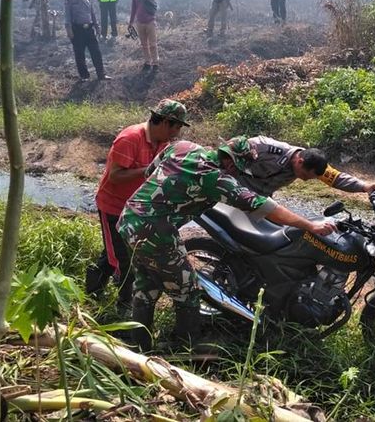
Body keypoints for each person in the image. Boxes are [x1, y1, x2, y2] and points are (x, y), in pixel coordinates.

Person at [116, 137, 336, 351]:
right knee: (189, 290)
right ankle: (185, 344)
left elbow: (151, 170)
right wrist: (309, 225)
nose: (236, 174)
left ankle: (140, 344)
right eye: (237, 170)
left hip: (129, 219)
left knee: (146, 284)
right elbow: (265, 206)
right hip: (155, 232)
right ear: (230, 162)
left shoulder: (183, 146)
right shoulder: (217, 179)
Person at [85, 99, 189, 309]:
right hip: (113, 206)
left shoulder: (162, 142)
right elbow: (115, 176)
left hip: (135, 207)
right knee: (125, 262)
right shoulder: (130, 138)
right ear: (165, 122)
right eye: (176, 126)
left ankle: (92, 291)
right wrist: (147, 170)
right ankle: (124, 307)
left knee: (115, 252)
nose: (176, 133)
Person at [235, 136, 375, 197]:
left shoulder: (313, 165)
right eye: (306, 176)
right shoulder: (266, 148)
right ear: (299, 162)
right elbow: (233, 148)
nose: (306, 180)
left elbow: (337, 179)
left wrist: (364, 186)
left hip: (258, 198)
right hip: (233, 189)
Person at [64, 0, 111, 81]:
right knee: (80, 55)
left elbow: (92, 14)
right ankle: (84, 76)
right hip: (77, 31)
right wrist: (69, 31)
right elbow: (67, 17)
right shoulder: (70, 0)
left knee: (96, 52)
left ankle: (101, 74)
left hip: (89, 30)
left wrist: (97, 28)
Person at [128, 0, 159, 72]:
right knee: (144, 45)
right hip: (139, 22)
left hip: (150, 22)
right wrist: (131, 22)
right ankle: (147, 62)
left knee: (153, 45)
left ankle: (155, 63)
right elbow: (133, 8)